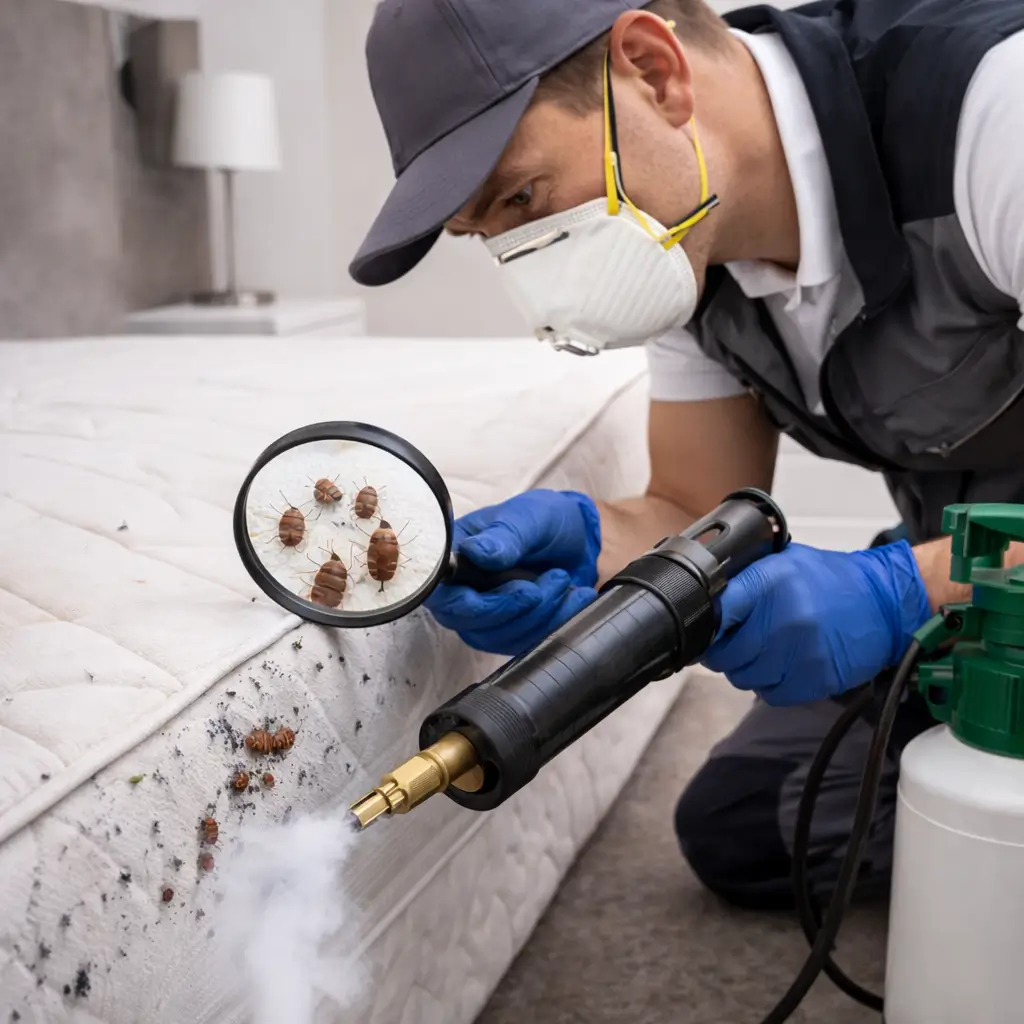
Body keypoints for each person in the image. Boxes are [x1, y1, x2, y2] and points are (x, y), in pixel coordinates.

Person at [348, 0, 1024, 911]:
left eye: (522, 200)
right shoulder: (692, 258)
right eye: (490, 236)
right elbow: (692, 508)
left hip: (974, 582)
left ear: (654, 70)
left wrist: (908, 589)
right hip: (978, 595)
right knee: (750, 824)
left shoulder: (992, 115)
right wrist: (599, 553)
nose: (529, 263)